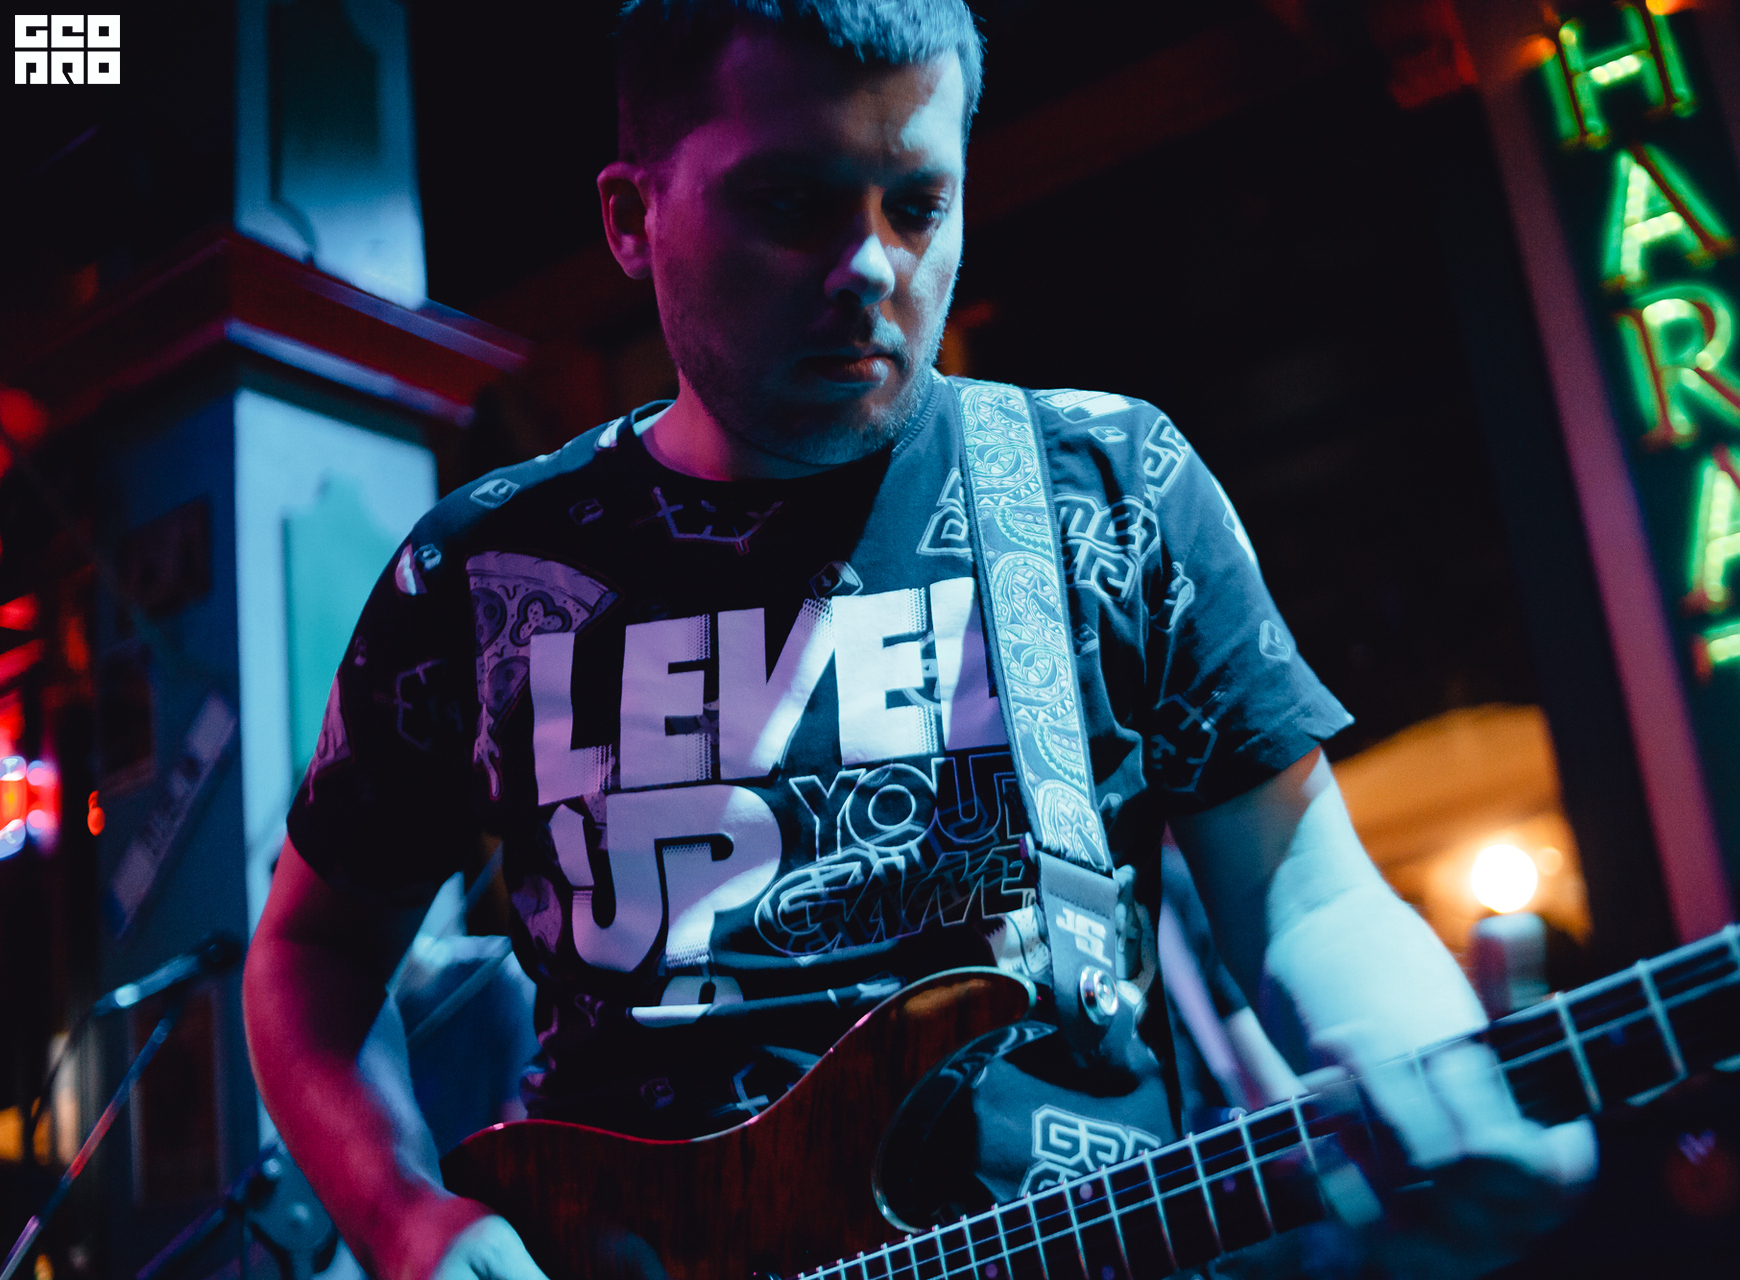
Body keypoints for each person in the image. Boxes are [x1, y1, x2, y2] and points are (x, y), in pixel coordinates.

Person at [241, 4, 1596, 1280]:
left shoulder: (1105, 490)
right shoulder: (483, 573)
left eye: (918, 204)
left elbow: (1306, 894)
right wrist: (405, 1219)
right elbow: (311, 958)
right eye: (792, 205)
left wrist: (1423, 1056)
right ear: (632, 219)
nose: (869, 270)